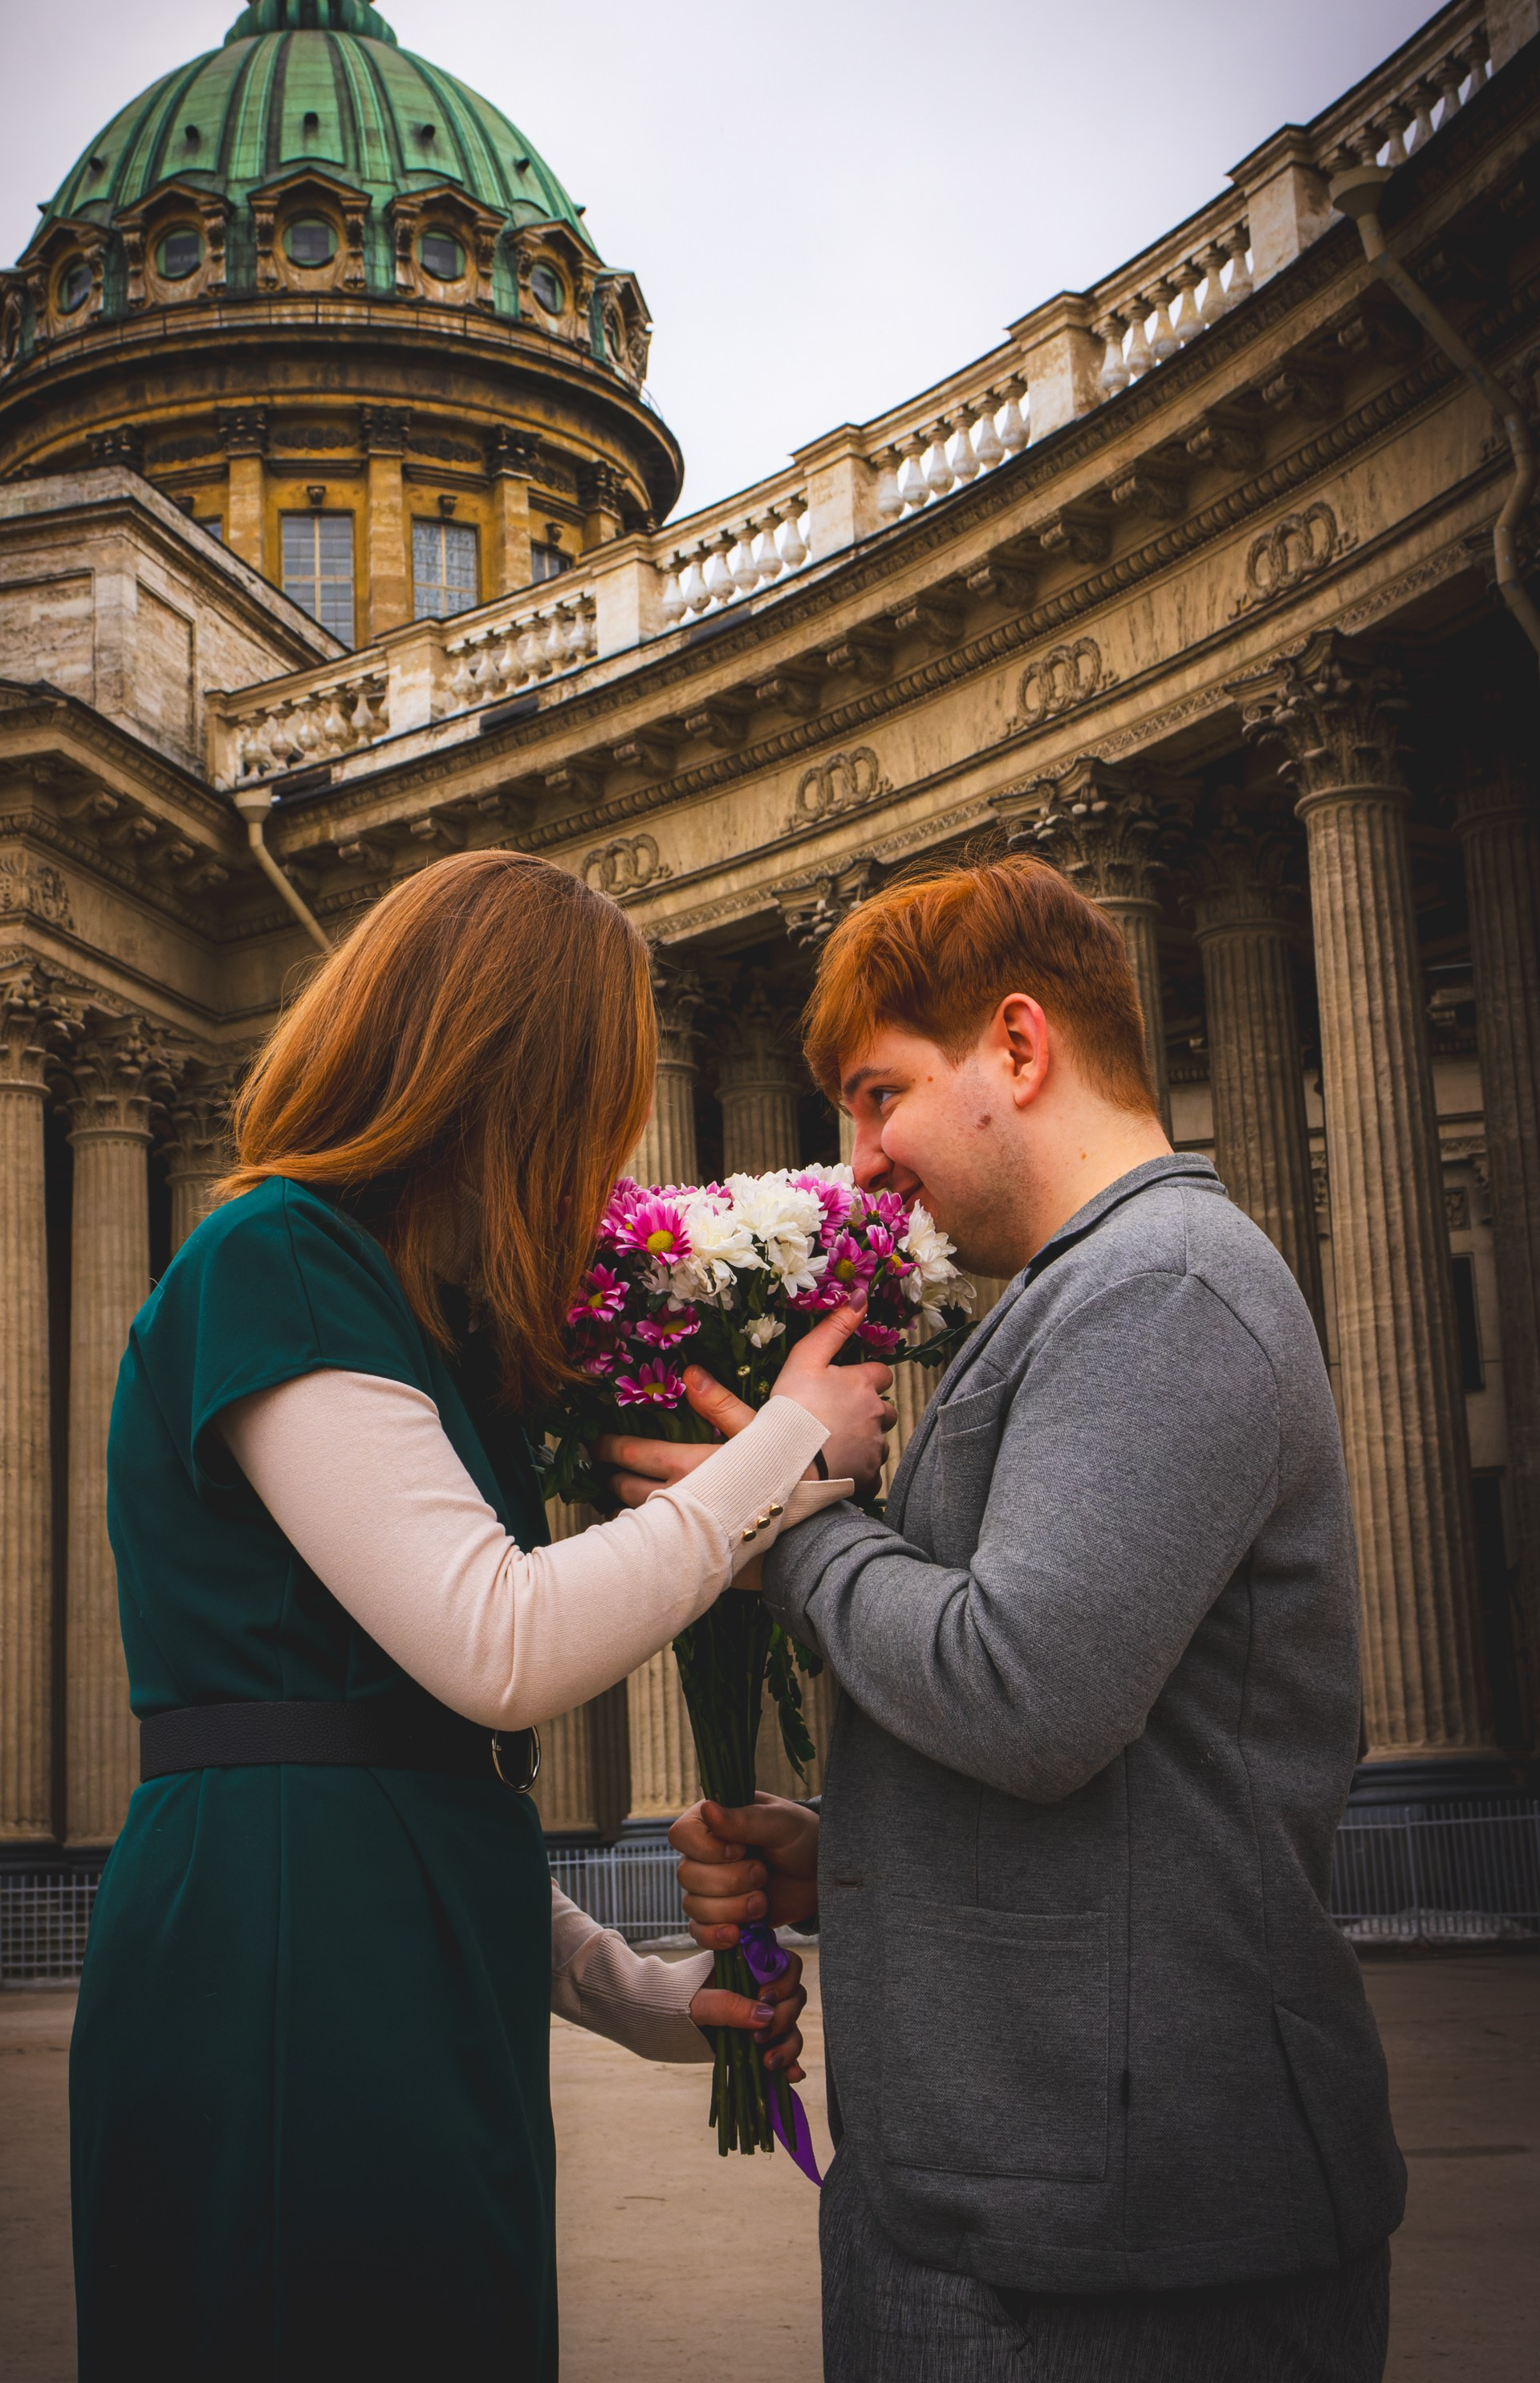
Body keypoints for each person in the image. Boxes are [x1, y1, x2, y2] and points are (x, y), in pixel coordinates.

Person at [68, 850, 896, 2381]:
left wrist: (639, 1996)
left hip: (383, 1933)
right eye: (591, 1103)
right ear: (503, 1081)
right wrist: (787, 1445)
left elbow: (422, 1772)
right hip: (282, 1955)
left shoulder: (410, 1313)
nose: (603, 1155)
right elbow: (498, 1648)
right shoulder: (278, 1255)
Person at [603, 855, 1406, 2382]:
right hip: (1039, 2205)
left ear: (1019, 1048)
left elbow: (1029, 1694)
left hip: (1119, 2253)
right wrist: (851, 1852)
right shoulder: (1082, 1293)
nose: (863, 1162)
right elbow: (1106, 1746)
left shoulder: (1160, 1289)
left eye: (880, 1095)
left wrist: (783, 1520)